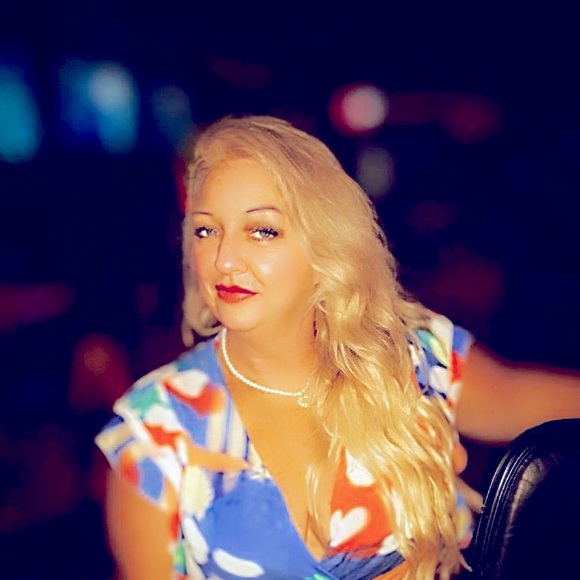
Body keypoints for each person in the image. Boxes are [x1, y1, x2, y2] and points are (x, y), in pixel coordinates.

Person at [96, 115, 580, 580]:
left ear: (324, 241)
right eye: (207, 230)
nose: (224, 259)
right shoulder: (157, 429)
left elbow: (534, 401)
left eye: (262, 231)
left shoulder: (413, 357)